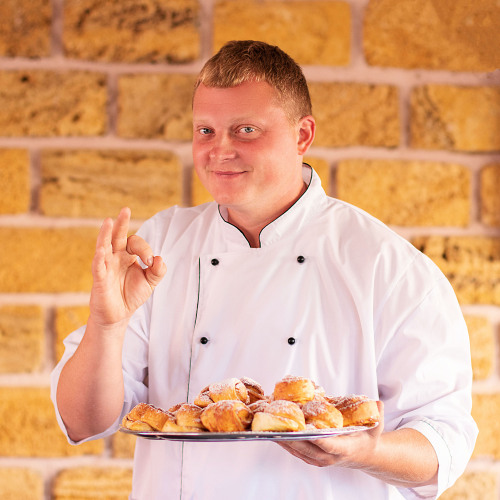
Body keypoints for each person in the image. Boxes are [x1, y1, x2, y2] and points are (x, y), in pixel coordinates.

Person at [51, 40, 477, 499]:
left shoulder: (386, 265)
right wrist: (106, 324)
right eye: (205, 130)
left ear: (302, 135)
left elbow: (443, 443)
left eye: (246, 130)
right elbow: (82, 421)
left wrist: (364, 452)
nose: (220, 150)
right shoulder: (162, 245)